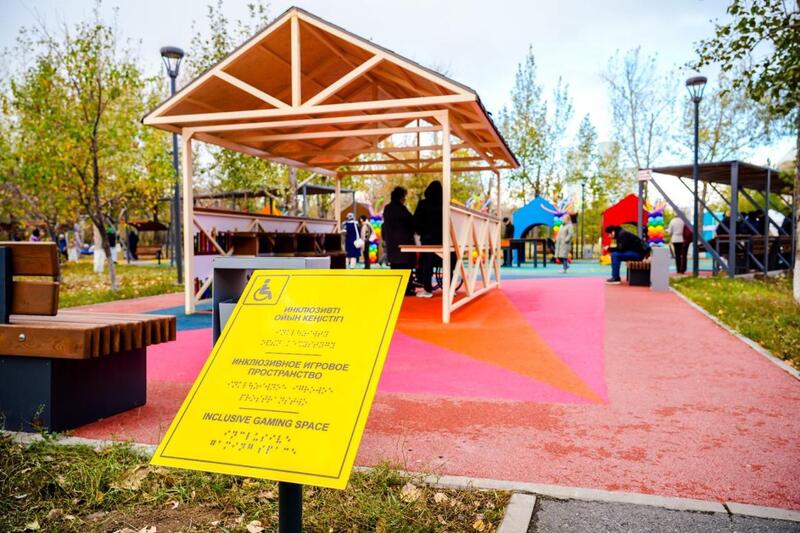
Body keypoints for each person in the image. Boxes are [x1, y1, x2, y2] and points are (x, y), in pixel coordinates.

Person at [382, 186, 416, 295]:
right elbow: (411, 221)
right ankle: (407, 289)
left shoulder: (387, 208)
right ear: (401, 197)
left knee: (395, 267)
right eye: (404, 197)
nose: (405, 199)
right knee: (405, 267)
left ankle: (397, 288)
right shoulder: (401, 209)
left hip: (391, 244)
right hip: (404, 243)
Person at [413, 181, 444, 298]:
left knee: (427, 263)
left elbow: (416, 221)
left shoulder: (423, 204)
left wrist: (422, 232)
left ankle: (427, 289)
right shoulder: (444, 204)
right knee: (446, 262)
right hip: (442, 238)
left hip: (428, 238)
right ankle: (449, 288)